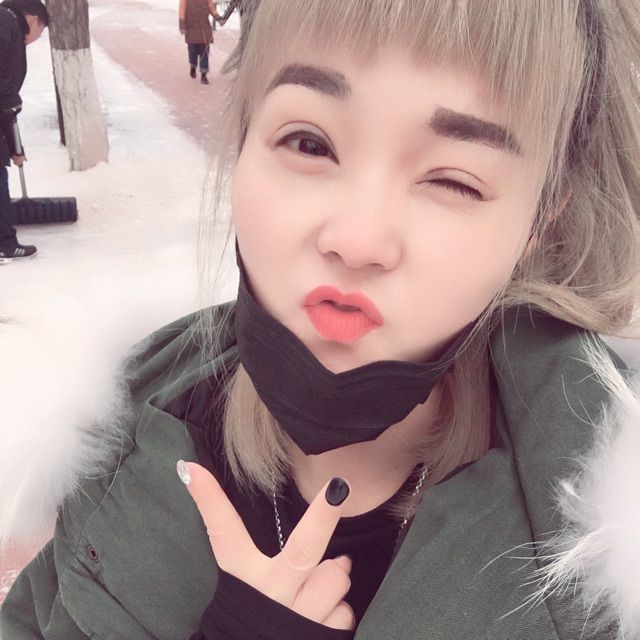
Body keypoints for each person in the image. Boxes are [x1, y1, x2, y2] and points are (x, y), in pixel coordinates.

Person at [2, 1, 640, 638]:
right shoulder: (119, 432)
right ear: (244, 142)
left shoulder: (609, 546)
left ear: (539, 220)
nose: (358, 240)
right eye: (309, 143)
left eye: (454, 181)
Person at [0, 0, 47, 262]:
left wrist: (13, 147)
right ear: (32, 19)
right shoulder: (9, 27)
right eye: (40, 32)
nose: (35, 39)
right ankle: (4, 243)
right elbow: (5, 88)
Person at [179, 0, 219, 85]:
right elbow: (182, 9)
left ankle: (203, 75)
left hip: (204, 28)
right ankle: (193, 65)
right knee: (192, 51)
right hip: (191, 27)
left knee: (204, 53)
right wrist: (182, 24)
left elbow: (211, 7)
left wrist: (217, 17)